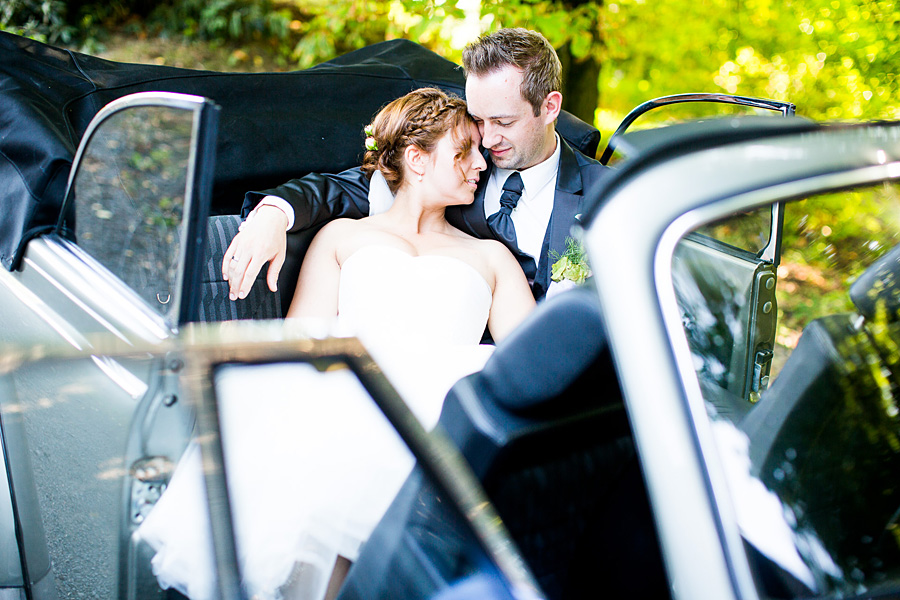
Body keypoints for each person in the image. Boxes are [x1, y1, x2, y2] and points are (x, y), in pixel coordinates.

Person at [136, 88, 535, 600]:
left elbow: (526, 361)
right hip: (348, 410)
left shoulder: (491, 256)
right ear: (416, 159)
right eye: (463, 152)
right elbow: (304, 344)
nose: (480, 164)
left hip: (439, 425)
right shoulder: (343, 237)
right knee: (338, 474)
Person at [223, 27, 612, 303]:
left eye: (504, 122)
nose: (488, 139)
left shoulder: (609, 196)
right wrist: (272, 215)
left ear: (550, 107)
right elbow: (337, 190)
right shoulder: (456, 166)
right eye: (478, 119)